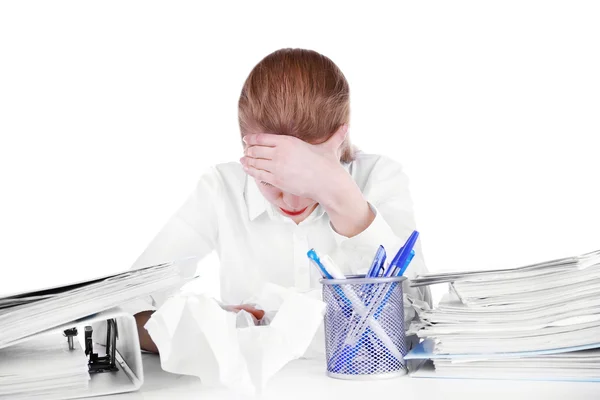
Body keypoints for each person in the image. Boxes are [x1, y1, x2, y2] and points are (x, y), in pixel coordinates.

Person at [124, 48, 432, 354]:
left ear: (340, 140)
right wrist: (210, 328)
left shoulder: (380, 177)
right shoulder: (222, 188)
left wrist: (342, 196)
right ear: (247, 149)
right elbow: (124, 306)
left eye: (308, 174)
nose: (294, 197)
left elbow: (420, 321)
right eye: (272, 176)